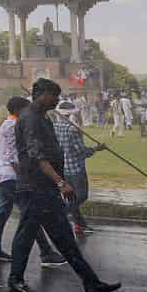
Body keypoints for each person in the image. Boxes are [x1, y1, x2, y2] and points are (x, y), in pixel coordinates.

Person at [7, 78, 120, 292]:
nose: (57, 100)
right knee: (26, 234)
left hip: (46, 188)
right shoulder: (30, 119)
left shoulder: (43, 118)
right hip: (34, 187)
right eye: (53, 95)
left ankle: (91, 282)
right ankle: (15, 279)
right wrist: (61, 181)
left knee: (65, 237)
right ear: (40, 94)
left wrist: (56, 183)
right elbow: (37, 156)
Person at [0, 96, 66, 265]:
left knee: (3, 213)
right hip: (12, 176)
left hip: (6, 176)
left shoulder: (14, 123)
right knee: (31, 215)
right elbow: (12, 156)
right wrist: (25, 177)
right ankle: (46, 253)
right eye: (26, 109)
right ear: (17, 110)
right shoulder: (11, 125)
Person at [53, 100, 105, 234]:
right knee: (81, 196)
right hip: (76, 169)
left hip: (62, 168)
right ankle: (59, 215)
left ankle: (79, 225)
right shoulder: (73, 130)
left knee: (71, 198)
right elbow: (82, 151)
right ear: (71, 115)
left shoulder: (55, 126)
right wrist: (97, 148)